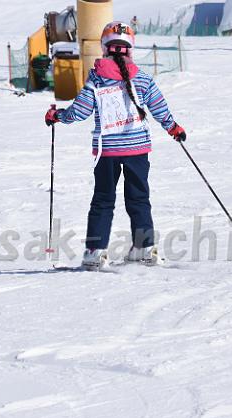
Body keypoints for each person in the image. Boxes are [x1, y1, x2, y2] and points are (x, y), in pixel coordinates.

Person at [44, 21, 186, 271]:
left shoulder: (97, 79)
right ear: (131, 49)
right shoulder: (142, 78)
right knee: (139, 198)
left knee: (103, 200)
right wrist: (173, 127)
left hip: (107, 151)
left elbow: (80, 111)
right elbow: (158, 106)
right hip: (137, 149)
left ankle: (95, 252)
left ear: (104, 47)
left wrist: (59, 116)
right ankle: (144, 248)